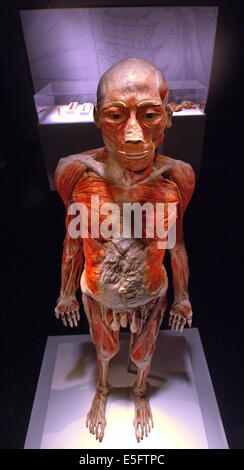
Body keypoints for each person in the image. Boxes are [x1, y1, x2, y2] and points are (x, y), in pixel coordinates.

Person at [54, 58, 195, 443]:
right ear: (98, 117)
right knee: (104, 350)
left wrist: (182, 296)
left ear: (166, 118)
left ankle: (138, 392)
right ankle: (101, 391)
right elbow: (73, 238)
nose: (133, 135)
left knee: (142, 355)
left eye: (148, 115)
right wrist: (66, 293)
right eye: (117, 116)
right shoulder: (74, 172)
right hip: (97, 292)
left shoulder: (176, 176)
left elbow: (175, 240)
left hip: (151, 294)